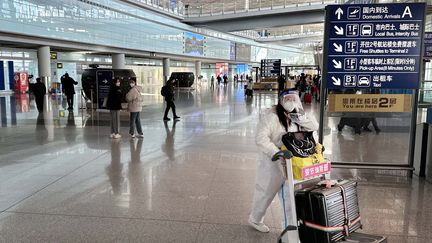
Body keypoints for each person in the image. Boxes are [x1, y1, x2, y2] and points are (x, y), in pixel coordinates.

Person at [249, 89, 318, 233]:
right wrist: (277, 152)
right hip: (274, 161)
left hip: (294, 161)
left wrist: (299, 117)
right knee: (265, 192)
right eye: (287, 99)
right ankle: (255, 219)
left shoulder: (300, 115)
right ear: (281, 101)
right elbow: (261, 138)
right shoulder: (271, 116)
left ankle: (290, 231)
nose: (291, 101)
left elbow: (314, 126)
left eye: (294, 98)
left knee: (289, 197)